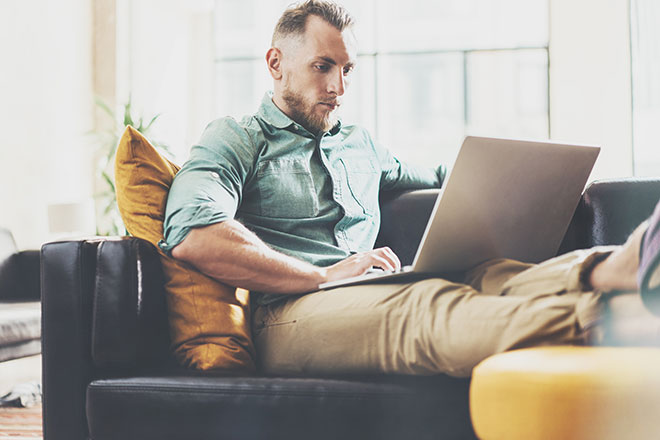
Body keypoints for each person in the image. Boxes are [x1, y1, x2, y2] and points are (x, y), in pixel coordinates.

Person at [160, 0, 660, 377]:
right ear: (275, 63)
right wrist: (323, 276)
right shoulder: (236, 137)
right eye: (322, 66)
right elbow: (195, 234)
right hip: (286, 315)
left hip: (364, 292)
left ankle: (618, 265)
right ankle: (619, 321)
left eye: (347, 69)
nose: (338, 86)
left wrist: (538, 182)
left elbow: (448, 175)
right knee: (425, 306)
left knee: (489, 273)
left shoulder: (362, 146)